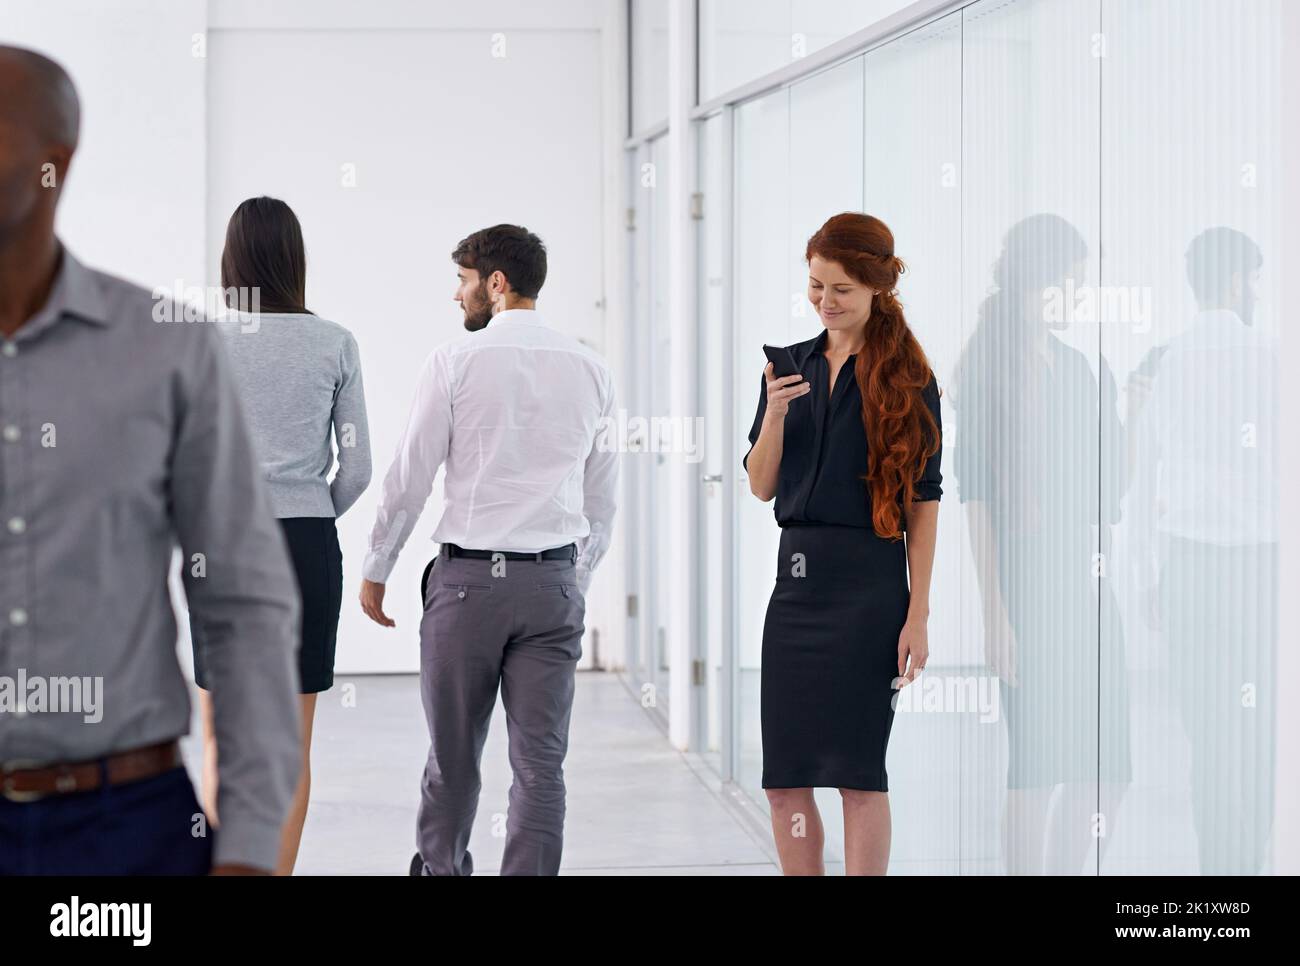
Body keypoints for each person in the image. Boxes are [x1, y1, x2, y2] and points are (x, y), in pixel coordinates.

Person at [0, 45, 300, 875]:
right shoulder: (327, 341)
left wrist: (246, 849)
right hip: (319, 533)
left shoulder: (163, 349)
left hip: (123, 829)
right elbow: (364, 465)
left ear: (54, 162)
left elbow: (240, 604)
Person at [359, 224, 618, 876]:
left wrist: (377, 568)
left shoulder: (453, 362)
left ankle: (441, 871)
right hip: (551, 586)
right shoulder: (592, 369)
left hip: (467, 587)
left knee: (452, 758)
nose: (458, 296)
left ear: (496, 284)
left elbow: (409, 478)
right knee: (541, 766)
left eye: (464, 280)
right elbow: (603, 503)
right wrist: (570, 580)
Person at [743, 212, 941, 876]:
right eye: (816, 285)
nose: (825, 301)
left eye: (841, 290)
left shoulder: (909, 378)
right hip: (795, 589)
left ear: (878, 288)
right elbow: (760, 486)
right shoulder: (787, 367)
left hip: (870, 590)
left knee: (859, 774)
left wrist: (918, 612)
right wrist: (774, 415)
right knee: (784, 776)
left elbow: (923, 501)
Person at [190, 196, 372, 875]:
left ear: (230, 260)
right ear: (296, 260)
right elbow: (357, 470)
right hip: (304, 548)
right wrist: (305, 508)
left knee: (219, 739)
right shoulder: (335, 342)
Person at [950, 213, 1132, 874]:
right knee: (1035, 769)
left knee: (1107, 768)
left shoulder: (1083, 367)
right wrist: (994, 613)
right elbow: (976, 499)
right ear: (1035, 279)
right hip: (1026, 585)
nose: (1078, 298)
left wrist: (1130, 415)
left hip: (1084, 584)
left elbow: (1108, 490)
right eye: (1069, 283)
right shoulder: (990, 370)